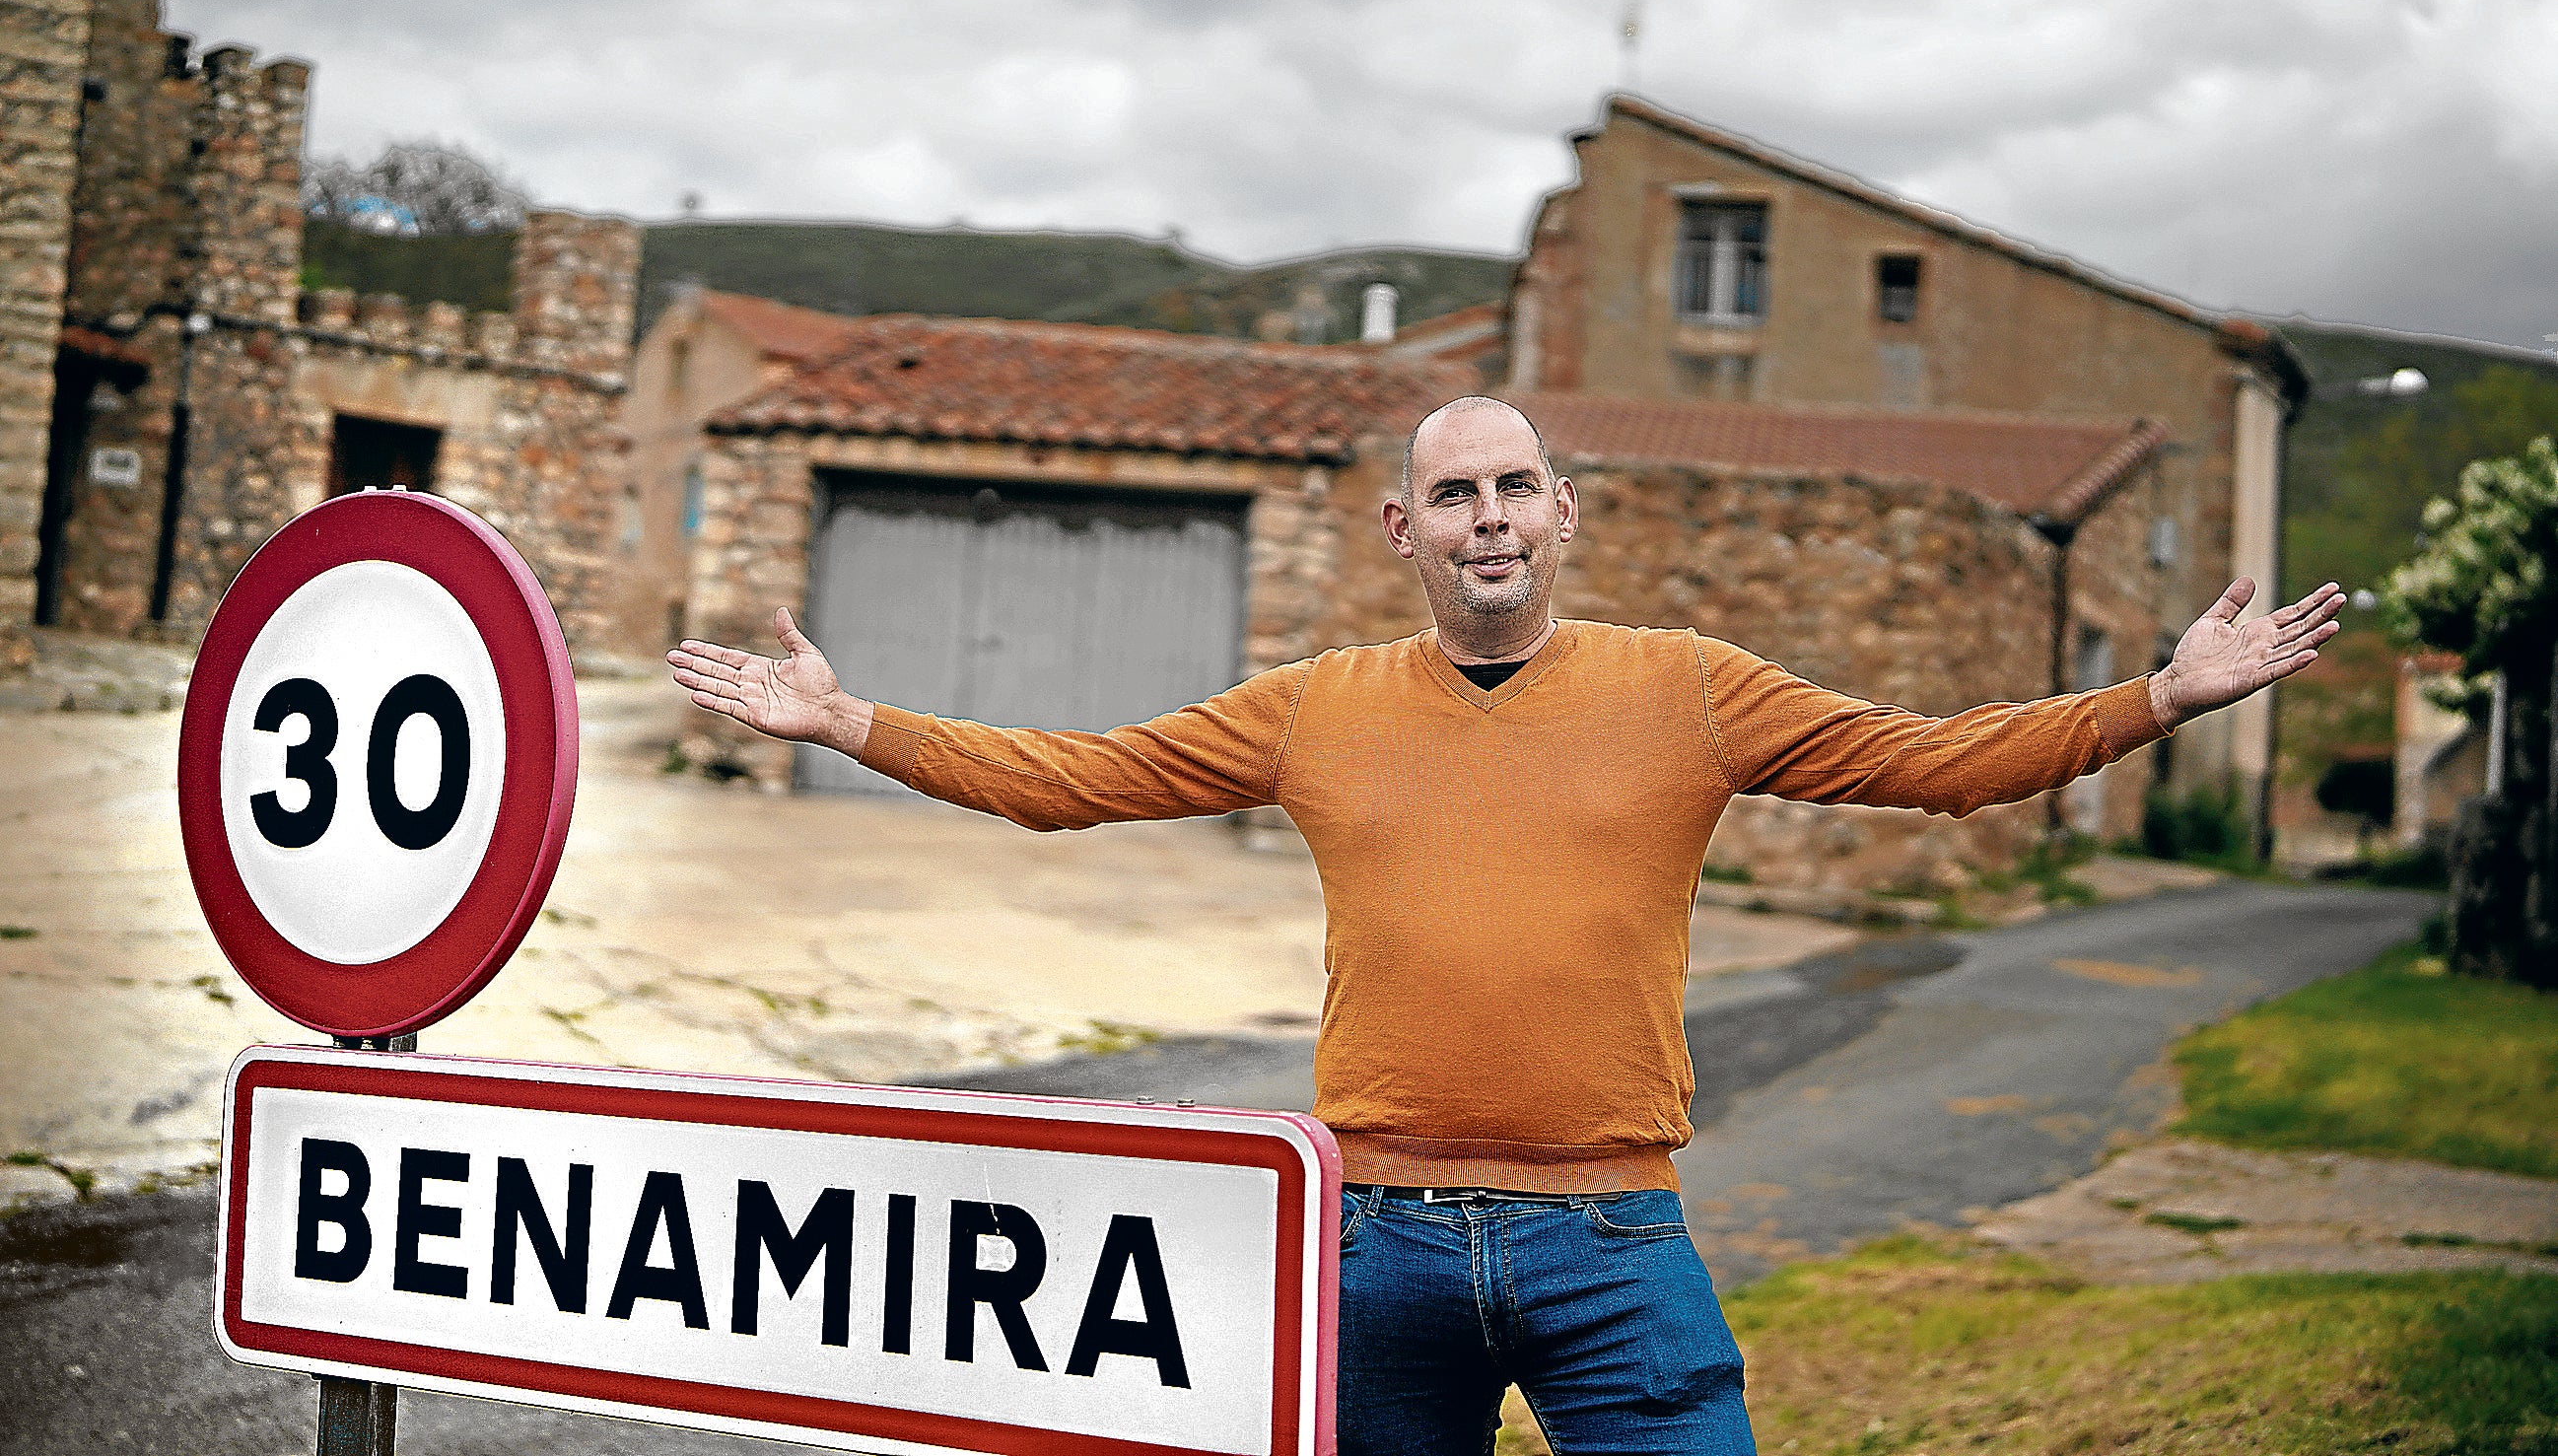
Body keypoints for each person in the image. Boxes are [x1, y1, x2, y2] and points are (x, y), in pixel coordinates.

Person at [668, 395, 2342, 1455]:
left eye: (1517, 486)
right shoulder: (1315, 706)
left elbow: (1935, 765)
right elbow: (1075, 778)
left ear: (1563, 515)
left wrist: (2159, 695)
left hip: (1611, 1243)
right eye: (1455, 490)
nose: (1488, 515)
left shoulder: (1689, 688)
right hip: (1374, 1242)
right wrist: (850, 725)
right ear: (1406, 528)